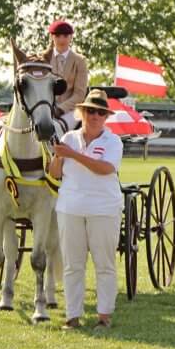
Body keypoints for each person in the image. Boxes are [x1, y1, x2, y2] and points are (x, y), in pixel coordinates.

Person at [49, 89, 123, 330]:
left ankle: (104, 316)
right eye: (90, 111)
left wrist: (73, 155)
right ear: (81, 112)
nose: (95, 116)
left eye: (100, 112)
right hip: (70, 207)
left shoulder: (113, 141)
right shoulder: (69, 138)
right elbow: (54, 173)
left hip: (103, 208)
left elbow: (105, 169)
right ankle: (73, 316)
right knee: (73, 264)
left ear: (106, 117)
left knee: (104, 263)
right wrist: (58, 156)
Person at [43, 21, 89, 132]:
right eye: (57, 36)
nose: (61, 39)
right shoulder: (42, 59)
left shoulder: (80, 61)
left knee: (57, 129)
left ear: (71, 37)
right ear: (52, 36)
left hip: (71, 110)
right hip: (43, 107)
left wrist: (60, 109)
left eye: (65, 36)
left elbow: (79, 94)